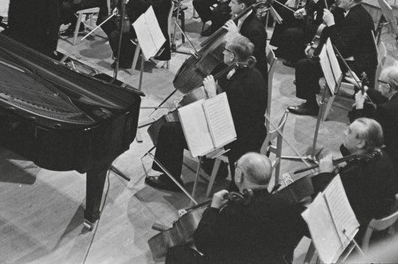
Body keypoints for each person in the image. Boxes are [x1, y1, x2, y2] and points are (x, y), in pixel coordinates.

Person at [146, 34, 267, 192]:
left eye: (225, 51)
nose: (222, 53)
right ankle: (213, 167)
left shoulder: (242, 85)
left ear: (232, 56)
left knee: (169, 130)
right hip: (246, 129)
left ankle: (170, 180)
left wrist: (211, 95)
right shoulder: (247, 71)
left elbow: (223, 120)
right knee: (184, 118)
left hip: (235, 138)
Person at [164, 152, 304, 264]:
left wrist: (213, 209)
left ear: (239, 175)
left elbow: (203, 244)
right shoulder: (286, 204)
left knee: (176, 254)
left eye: (236, 166)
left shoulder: (233, 213)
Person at [289, 0, 377, 116]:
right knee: (313, 61)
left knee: (304, 66)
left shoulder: (356, 18)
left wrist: (331, 24)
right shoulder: (348, 11)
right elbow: (334, 37)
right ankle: (312, 87)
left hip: (357, 65)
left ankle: (311, 106)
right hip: (351, 56)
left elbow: (341, 48)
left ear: (350, 0)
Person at [313, 118, 397, 232]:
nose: (344, 133)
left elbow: (331, 201)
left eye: (349, 131)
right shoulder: (380, 155)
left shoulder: (358, 172)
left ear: (360, 143)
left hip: (353, 222)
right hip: (372, 211)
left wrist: (325, 174)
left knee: (292, 212)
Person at [350, 65, 398, 160]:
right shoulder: (393, 99)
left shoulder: (385, 110)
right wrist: (364, 88)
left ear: (388, 87)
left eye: (380, 82)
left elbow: (367, 134)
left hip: (390, 153)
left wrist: (359, 106)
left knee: (351, 144)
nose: (378, 85)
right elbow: (384, 98)